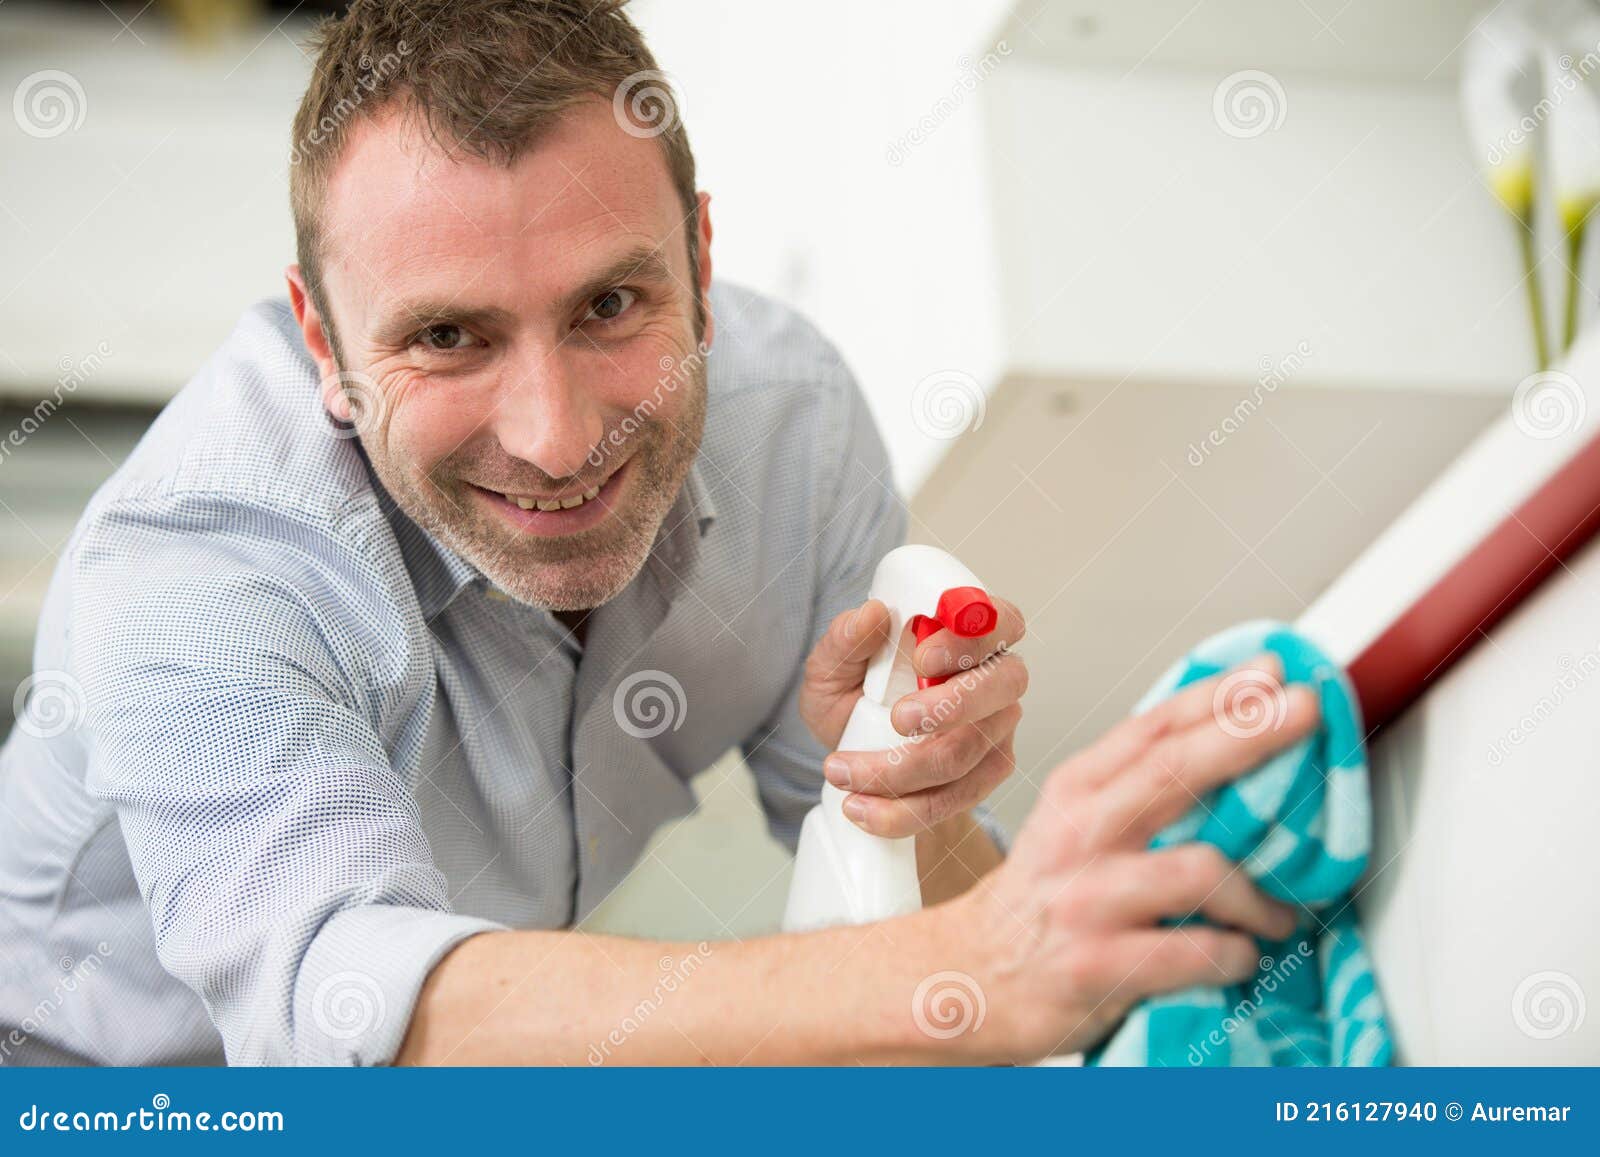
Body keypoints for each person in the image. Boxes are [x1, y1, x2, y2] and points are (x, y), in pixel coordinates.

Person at [0, 0, 1311, 1066]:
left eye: (611, 304)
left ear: (697, 254)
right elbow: (347, 1017)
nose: (558, 439)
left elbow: (923, 921)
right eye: (447, 336)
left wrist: (927, 806)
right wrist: (958, 969)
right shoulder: (198, 562)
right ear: (322, 342)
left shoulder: (793, 430)